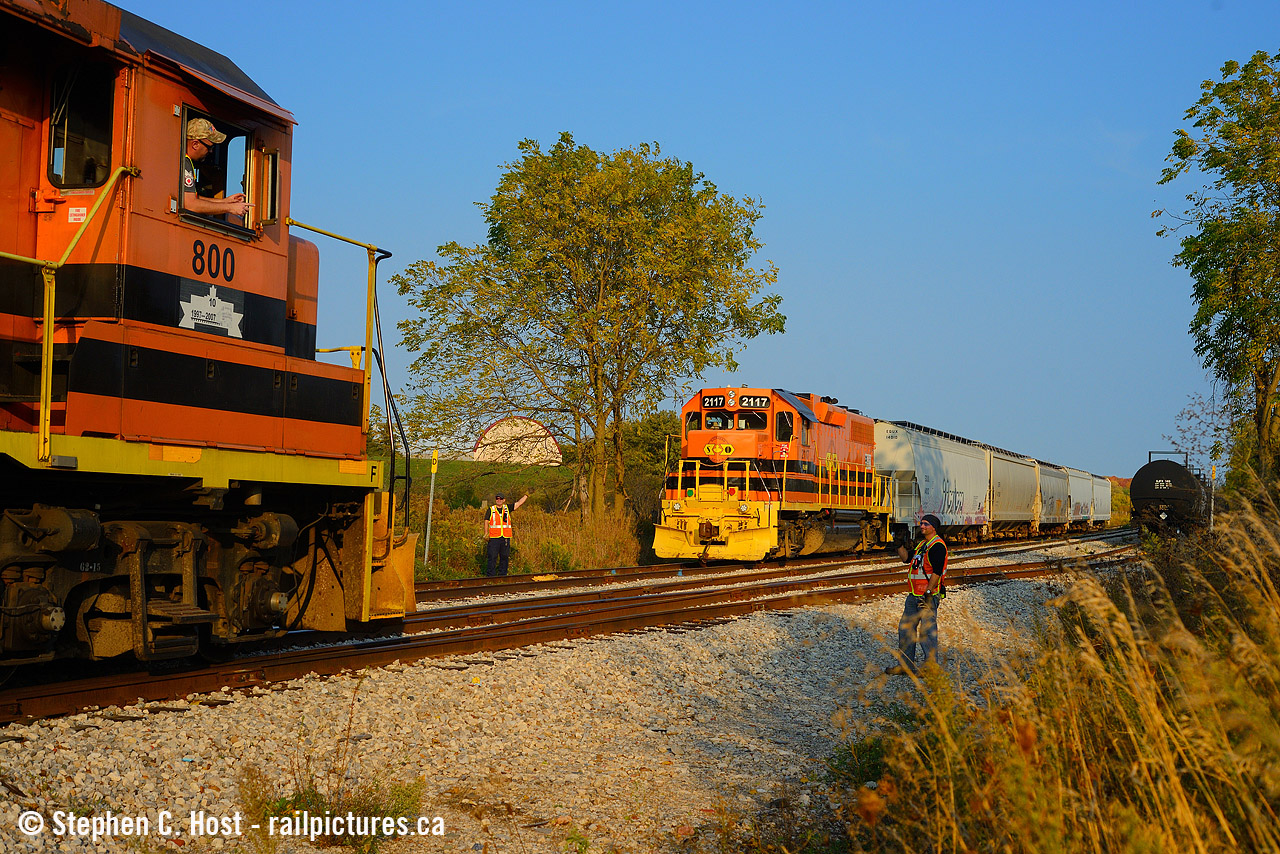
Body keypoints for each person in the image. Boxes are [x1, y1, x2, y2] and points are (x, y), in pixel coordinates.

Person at [886, 514, 948, 675]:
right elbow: (906, 558)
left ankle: (931, 667)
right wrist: (898, 544)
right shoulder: (922, 545)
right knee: (905, 628)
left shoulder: (937, 546)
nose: (922, 526)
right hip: (914, 595)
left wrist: (928, 591)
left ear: (933, 527)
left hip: (927, 596)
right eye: (921, 524)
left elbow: (937, 571)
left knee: (927, 632)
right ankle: (905, 666)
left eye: (926, 524)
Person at [183, 118, 249, 218]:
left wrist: (225, 202)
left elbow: (192, 197)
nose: (211, 152)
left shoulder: (185, 160)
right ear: (195, 144)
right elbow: (190, 204)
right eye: (209, 147)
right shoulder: (185, 162)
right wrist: (230, 208)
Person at [482, 492, 528, 577]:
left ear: (504, 500)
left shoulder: (507, 508)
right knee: (492, 557)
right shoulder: (491, 509)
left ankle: (502, 576)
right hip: (494, 537)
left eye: (500, 499)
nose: (498, 500)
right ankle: (490, 576)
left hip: (505, 537)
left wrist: (526, 495)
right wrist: (486, 533)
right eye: (497, 498)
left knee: (504, 557)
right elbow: (486, 521)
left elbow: (518, 503)